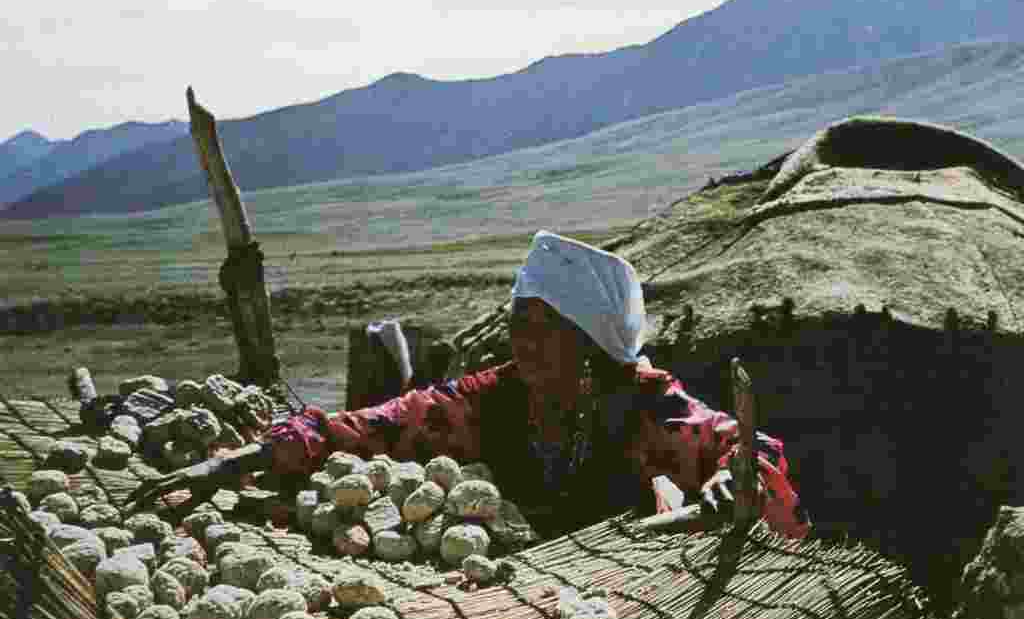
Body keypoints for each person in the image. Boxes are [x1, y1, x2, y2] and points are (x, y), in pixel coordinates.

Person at [128, 231, 810, 539]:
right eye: (518, 322)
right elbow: (374, 427)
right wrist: (236, 459)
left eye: (544, 328)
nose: (522, 341)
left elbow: (748, 448)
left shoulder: (651, 407)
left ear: (588, 343)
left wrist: (735, 478)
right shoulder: (495, 398)